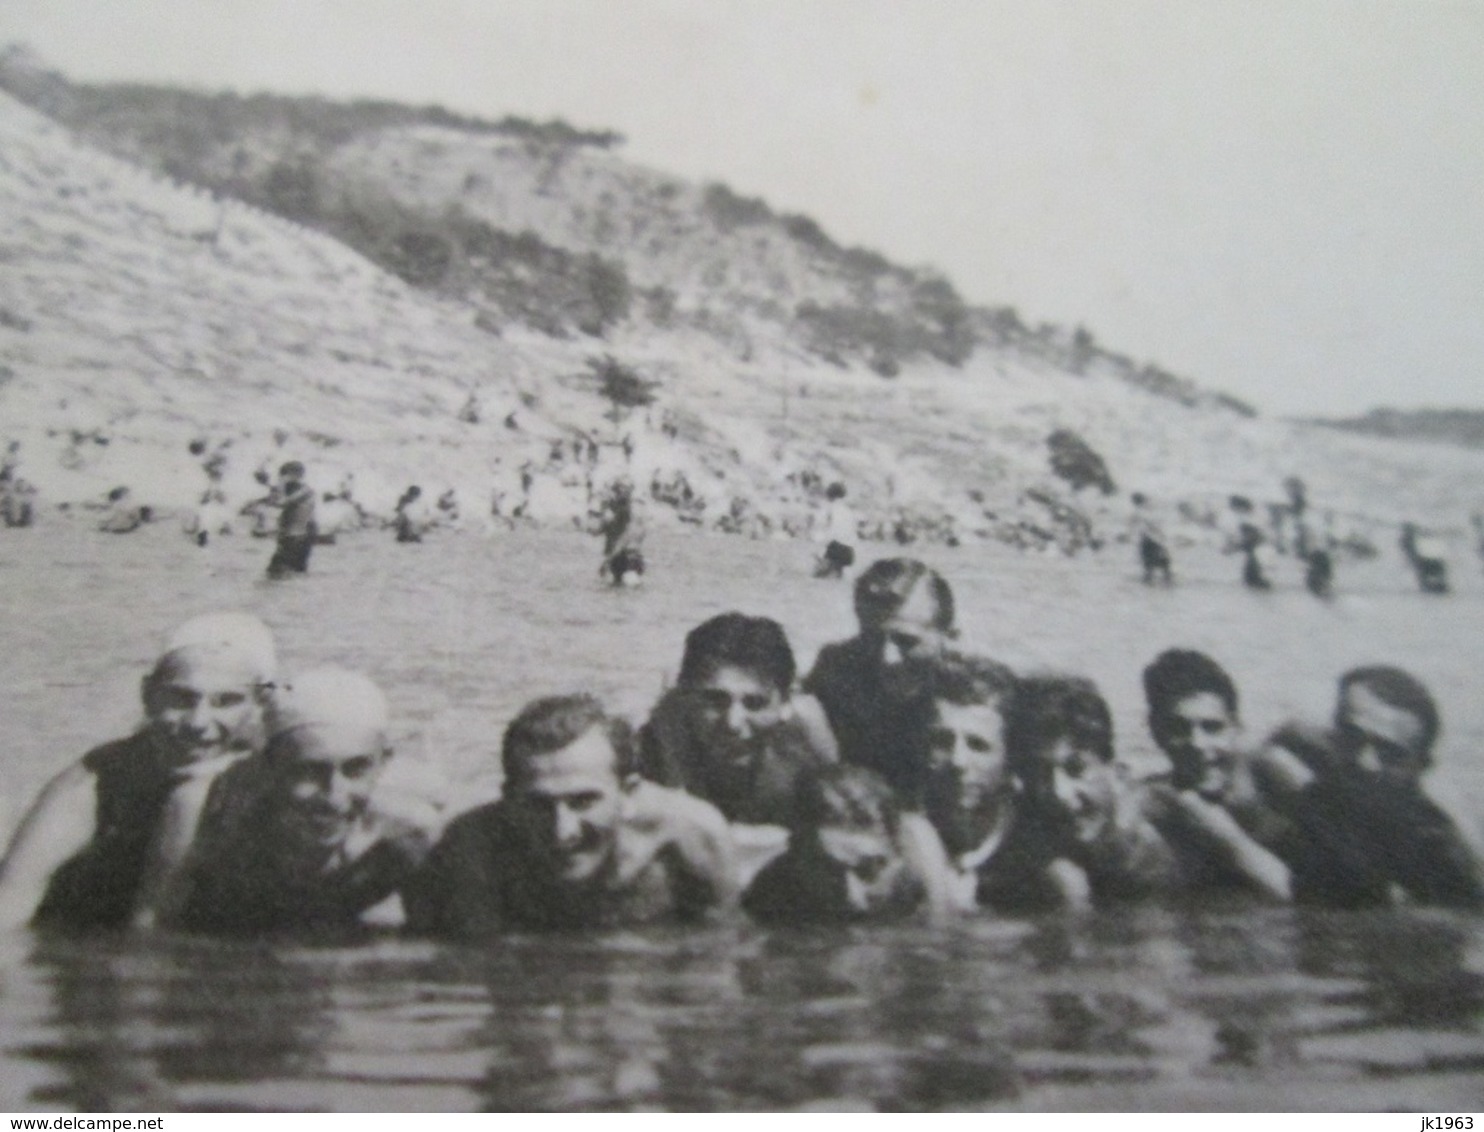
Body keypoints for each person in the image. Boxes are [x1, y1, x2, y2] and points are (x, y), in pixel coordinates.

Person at [0, 613, 277, 931]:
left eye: (226, 702)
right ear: (148, 696)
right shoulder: (94, 783)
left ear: (262, 705)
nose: (198, 723)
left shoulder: (294, 775)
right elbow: (10, 903)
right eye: (180, 699)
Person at [405, 694, 736, 936]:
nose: (562, 831)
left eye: (583, 801)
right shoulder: (469, 850)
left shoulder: (689, 836)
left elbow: (722, 953)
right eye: (538, 805)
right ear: (507, 799)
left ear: (628, 794)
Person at [160, 668, 430, 936]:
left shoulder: (408, 833)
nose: (334, 797)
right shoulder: (204, 807)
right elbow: (150, 931)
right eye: (309, 771)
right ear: (267, 766)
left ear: (384, 763)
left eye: (355, 769)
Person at [1269, 666, 1482, 908]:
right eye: (1352, 736)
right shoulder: (1309, 779)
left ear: (1419, 768)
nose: (1365, 762)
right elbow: (1285, 734)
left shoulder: (1439, 850)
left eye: (1389, 753)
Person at [638, 613, 837, 828]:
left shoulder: (806, 732)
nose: (733, 723)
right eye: (715, 700)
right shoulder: (665, 731)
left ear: (785, 702)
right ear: (687, 696)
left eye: (755, 703)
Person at [1005, 675, 1181, 909]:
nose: (1060, 793)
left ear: (1116, 772)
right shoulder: (1025, 826)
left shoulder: (1150, 854)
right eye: (1041, 774)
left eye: (1075, 769)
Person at [1139, 650, 1291, 901]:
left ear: (1236, 728)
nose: (1197, 743)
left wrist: (1220, 831)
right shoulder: (1152, 804)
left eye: (1212, 727)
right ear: (1156, 732)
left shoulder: (1273, 781)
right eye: (1179, 729)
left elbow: (1296, 893)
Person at [803, 558, 959, 801]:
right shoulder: (836, 669)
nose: (887, 657)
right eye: (872, 638)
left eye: (907, 641)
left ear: (948, 635)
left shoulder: (971, 692)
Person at [910, 654, 1042, 912]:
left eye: (978, 746)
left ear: (1010, 760)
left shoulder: (1034, 849)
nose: (958, 762)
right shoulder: (898, 833)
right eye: (941, 742)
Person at [743, 764, 954, 924]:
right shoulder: (778, 889)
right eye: (830, 874)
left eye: (867, 871)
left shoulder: (915, 886)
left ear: (896, 855)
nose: (855, 897)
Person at [266, 461, 316, 579]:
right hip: (291, 536)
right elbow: (272, 502)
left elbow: (281, 503)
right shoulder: (292, 490)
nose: (282, 478)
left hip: (297, 537)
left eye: (284, 475)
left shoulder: (305, 490)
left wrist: (280, 485)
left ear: (296, 475)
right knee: (284, 572)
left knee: (279, 572)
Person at [596, 479, 645, 586]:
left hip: (621, 560)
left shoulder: (619, 519)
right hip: (632, 561)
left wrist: (606, 563)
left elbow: (620, 545)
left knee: (616, 585)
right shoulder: (637, 526)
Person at [1130, 493, 1173, 585]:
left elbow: (1140, 528)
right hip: (1155, 542)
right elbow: (1156, 526)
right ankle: (1166, 580)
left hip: (1148, 542)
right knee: (1163, 566)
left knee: (1149, 568)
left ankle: (1150, 582)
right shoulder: (1148, 510)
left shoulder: (1139, 513)